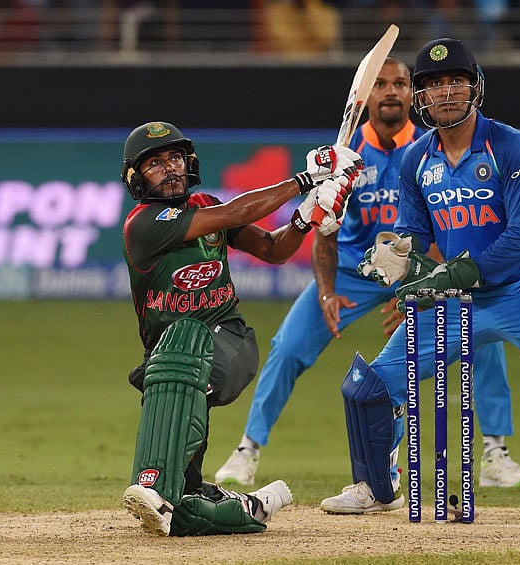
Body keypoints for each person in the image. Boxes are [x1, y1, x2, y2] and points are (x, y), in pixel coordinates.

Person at [321, 38, 520, 522]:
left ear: (474, 87)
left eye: (456, 81)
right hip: (460, 297)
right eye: (434, 84)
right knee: (368, 386)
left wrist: (455, 273)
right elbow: (414, 232)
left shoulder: (510, 147)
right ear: (421, 97)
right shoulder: (416, 159)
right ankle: (375, 485)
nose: (446, 92)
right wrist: (393, 253)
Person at [215, 57, 520, 496]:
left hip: (420, 266)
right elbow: (325, 230)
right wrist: (326, 293)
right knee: (287, 346)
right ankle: (247, 450)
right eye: (380, 83)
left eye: (400, 83)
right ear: (365, 97)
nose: (390, 91)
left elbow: (444, 230)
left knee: (480, 333)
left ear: (411, 94)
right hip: (353, 268)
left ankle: (496, 453)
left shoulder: (431, 147)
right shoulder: (346, 155)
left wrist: (418, 288)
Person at [119, 120, 361, 536]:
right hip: (169, 363)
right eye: (155, 163)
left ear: (190, 163)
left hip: (227, 342)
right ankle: (247, 504)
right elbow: (233, 212)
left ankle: (151, 485)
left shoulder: (204, 204)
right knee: (184, 506)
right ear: (135, 178)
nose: (170, 168)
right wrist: (306, 181)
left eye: (175, 157)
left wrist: (304, 219)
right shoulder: (143, 224)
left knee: (186, 340)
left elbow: (272, 249)